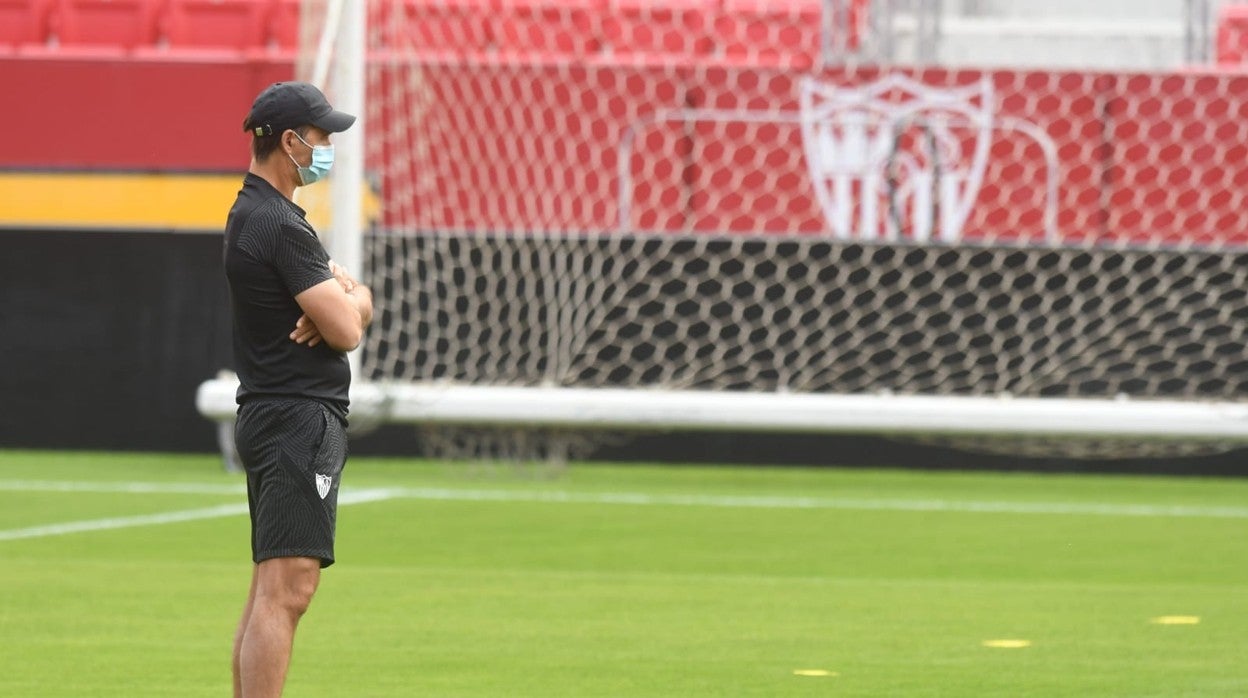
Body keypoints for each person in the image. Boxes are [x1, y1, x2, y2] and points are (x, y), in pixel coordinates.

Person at [223, 81, 373, 698]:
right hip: (295, 419)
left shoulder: (252, 211)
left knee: (270, 588)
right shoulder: (280, 223)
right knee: (289, 589)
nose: (328, 147)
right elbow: (346, 329)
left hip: (273, 412)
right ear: (290, 141)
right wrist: (353, 297)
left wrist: (348, 297)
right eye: (322, 137)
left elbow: (345, 310)